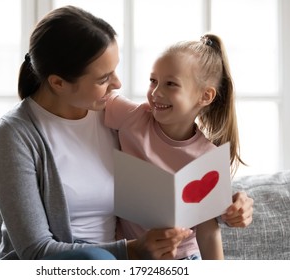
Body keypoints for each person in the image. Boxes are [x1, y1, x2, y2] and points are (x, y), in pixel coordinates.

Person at [0, 5, 253, 260]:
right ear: (58, 83)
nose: (117, 84)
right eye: (104, 78)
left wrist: (228, 202)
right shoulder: (14, 135)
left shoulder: (110, 113)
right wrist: (131, 251)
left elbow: (176, 153)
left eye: (115, 70)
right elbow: (35, 251)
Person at [105, 34, 248, 259]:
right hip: (134, 253)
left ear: (205, 96)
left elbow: (209, 234)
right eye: (153, 80)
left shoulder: (207, 157)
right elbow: (93, 96)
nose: (156, 92)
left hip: (185, 257)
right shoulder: (131, 117)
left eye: (170, 84)